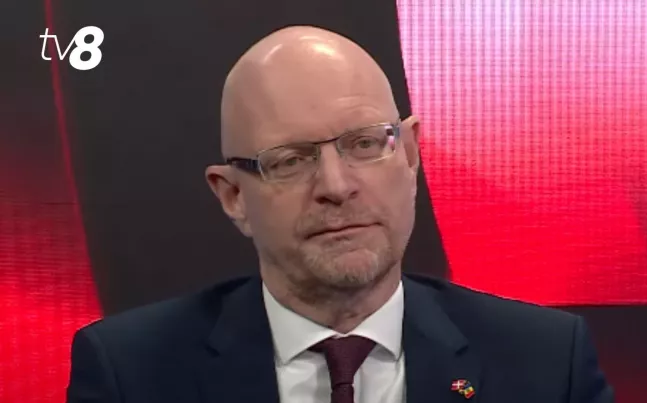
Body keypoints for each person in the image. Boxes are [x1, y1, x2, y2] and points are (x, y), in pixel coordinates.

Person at [66, 25, 614, 403]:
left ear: (410, 155)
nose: (336, 186)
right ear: (233, 196)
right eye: (290, 160)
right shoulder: (130, 374)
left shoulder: (546, 363)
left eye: (364, 144)